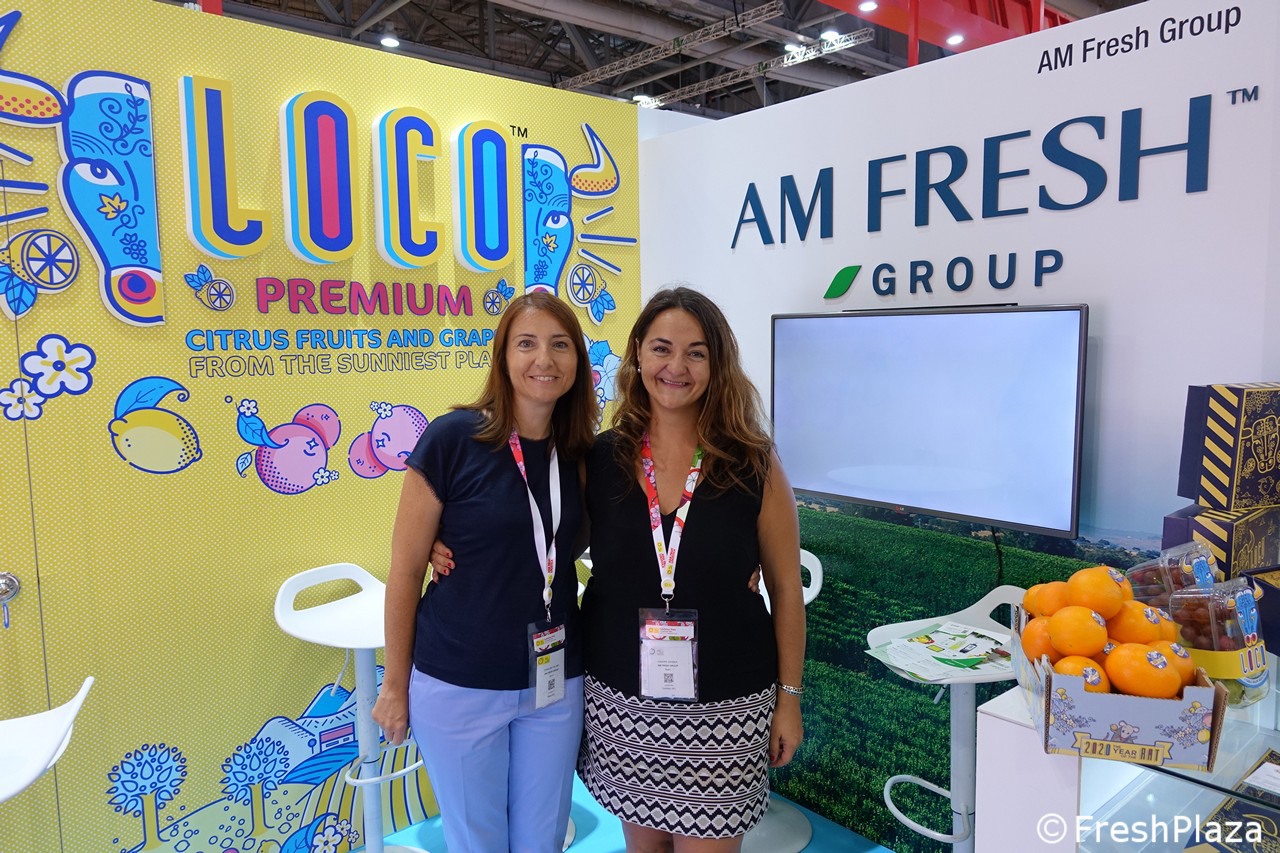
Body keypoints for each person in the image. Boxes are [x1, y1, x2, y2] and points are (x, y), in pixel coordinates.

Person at [575, 286, 806, 852]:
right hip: (623, 702)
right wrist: (449, 544)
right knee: (644, 848)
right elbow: (541, 539)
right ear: (637, 353)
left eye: (696, 353)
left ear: (716, 364)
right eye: (661, 348)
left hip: (727, 707)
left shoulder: (753, 463)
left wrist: (790, 699)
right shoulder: (600, 459)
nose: (676, 366)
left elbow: (785, 589)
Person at [371, 291, 599, 853]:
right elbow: (404, 573)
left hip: (553, 684)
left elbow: (581, 541)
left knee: (543, 840)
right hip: (459, 683)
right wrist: (394, 686)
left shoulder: (581, 453)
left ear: (577, 361)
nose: (543, 359)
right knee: (478, 843)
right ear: (503, 357)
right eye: (526, 344)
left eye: (560, 345)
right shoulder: (453, 439)